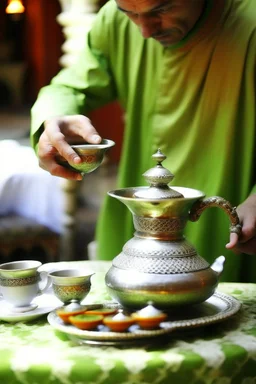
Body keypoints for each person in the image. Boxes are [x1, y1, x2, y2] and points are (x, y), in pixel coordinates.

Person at [31, 0, 256, 282]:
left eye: (161, 11)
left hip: (232, 215)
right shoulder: (114, 21)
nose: (145, 32)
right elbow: (70, 86)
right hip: (139, 223)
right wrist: (52, 119)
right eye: (130, 13)